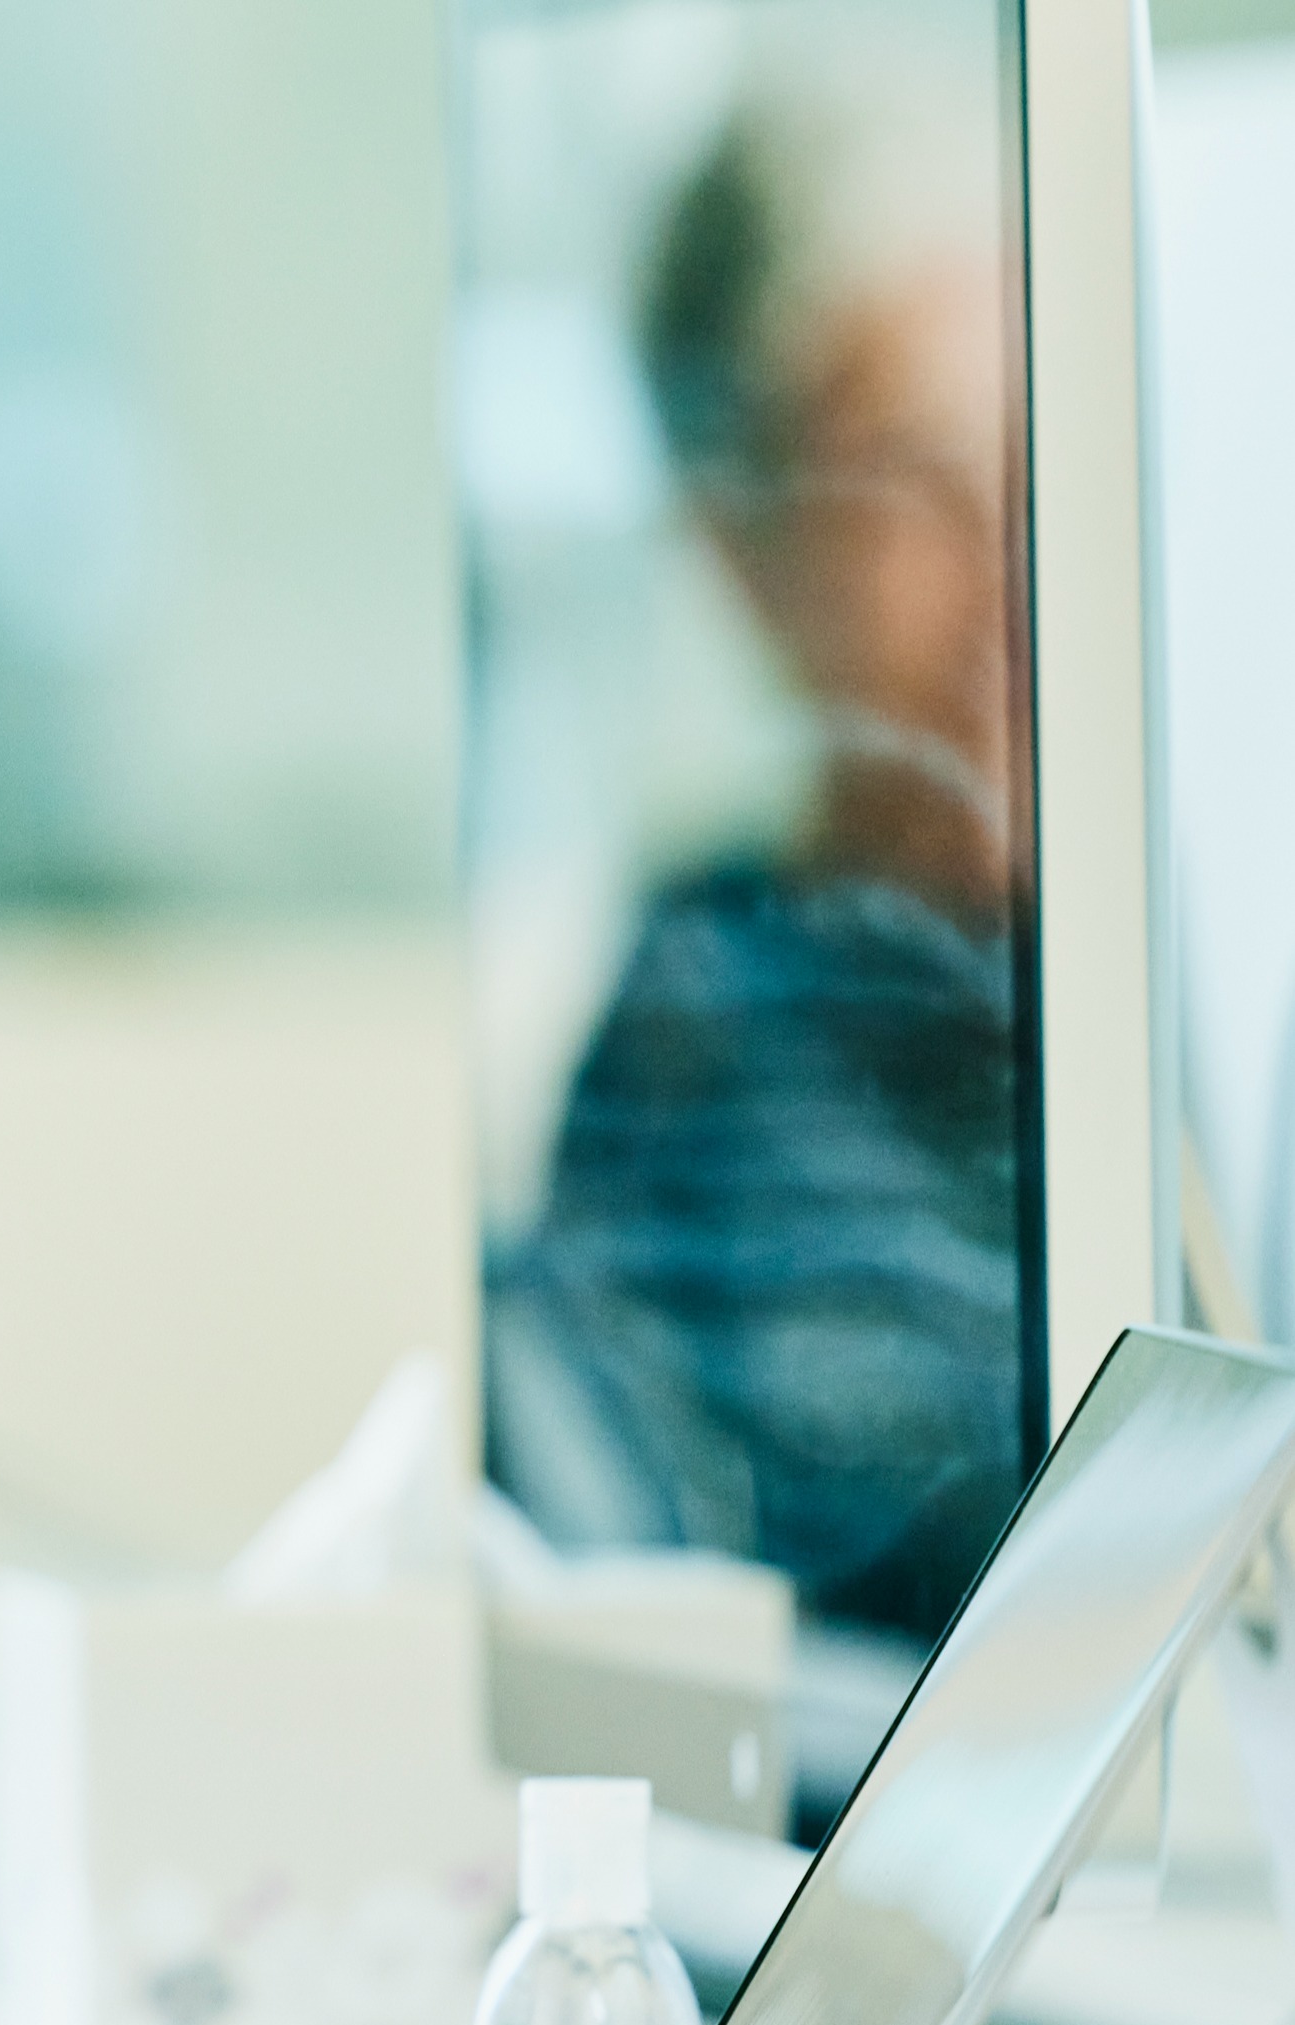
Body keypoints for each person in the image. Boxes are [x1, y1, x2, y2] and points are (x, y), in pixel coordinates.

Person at [490, 40, 1025, 1685]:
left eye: (1032, 444)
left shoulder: (1196, 986)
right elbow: (627, 1660)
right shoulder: (699, 1025)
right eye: (915, 479)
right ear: (740, 546)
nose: (1012, 538)